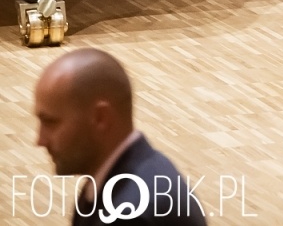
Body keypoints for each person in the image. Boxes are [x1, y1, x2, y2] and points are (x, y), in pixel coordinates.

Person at [34, 48, 206, 225]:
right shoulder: (148, 167)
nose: (40, 140)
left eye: (50, 123)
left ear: (101, 118)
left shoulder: (129, 216)